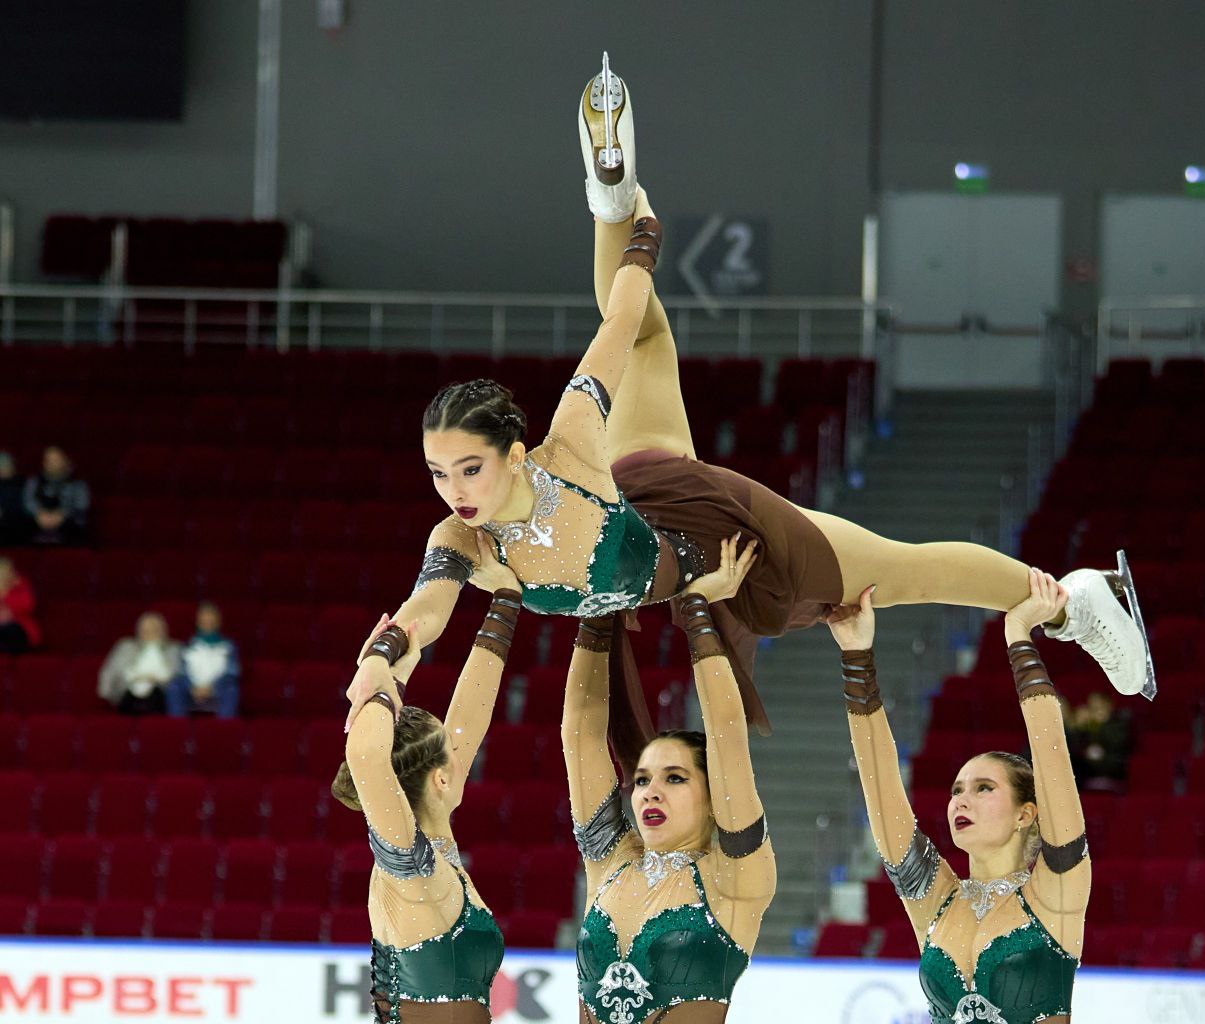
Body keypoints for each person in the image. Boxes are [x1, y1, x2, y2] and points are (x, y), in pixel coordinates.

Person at [345, 58, 1151, 772]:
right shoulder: (458, 538)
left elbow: (620, 320)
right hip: (647, 490)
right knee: (660, 340)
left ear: (516, 455)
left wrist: (644, 244)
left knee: (896, 574)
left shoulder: (569, 442)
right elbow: (427, 612)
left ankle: (1078, 597)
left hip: (710, 528)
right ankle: (610, 188)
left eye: (470, 467)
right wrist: (390, 658)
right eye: (438, 472)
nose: (454, 490)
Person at [837, 568, 1088, 1024]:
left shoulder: (1056, 892)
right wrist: (856, 656)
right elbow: (879, 785)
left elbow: (1051, 754)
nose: (960, 801)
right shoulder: (937, 901)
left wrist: (1019, 639)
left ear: (1026, 814)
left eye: (983, 788)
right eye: (956, 790)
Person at [565, 535, 775, 1024]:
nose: (649, 792)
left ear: (712, 796)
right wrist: (601, 604)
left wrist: (695, 606)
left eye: (675, 778)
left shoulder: (734, 877)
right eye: (641, 781)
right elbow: (580, 732)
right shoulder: (611, 863)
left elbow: (726, 732)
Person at [331, 541, 522, 1023]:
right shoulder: (407, 860)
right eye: (453, 758)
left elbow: (470, 718)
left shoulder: (426, 854)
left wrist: (505, 596)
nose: (464, 755)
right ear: (440, 779)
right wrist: (388, 681)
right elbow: (365, 755)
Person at [166, 602, 242, 719]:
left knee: (232, 689)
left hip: (218, 688)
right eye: (204, 621)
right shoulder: (188, 645)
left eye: (211, 620)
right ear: (198, 622)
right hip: (192, 689)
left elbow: (232, 673)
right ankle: (177, 728)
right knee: (174, 686)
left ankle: (224, 730)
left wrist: (212, 688)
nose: (208, 623)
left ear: (218, 622)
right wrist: (193, 687)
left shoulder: (229, 645)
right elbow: (182, 671)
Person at [98, 612, 181, 715]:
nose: (149, 634)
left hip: (159, 693)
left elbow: (175, 673)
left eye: (154, 630)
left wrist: (153, 678)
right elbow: (110, 672)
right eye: (145, 630)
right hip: (128, 693)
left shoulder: (174, 648)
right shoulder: (125, 647)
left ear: (163, 631)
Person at [23, 446, 90, 545]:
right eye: (49, 460)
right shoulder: (34, 481)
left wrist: (62, 514)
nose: (52, 464)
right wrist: (39, 513)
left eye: (56, 460)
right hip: (39, 521)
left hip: (69, 524)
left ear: (65, 461)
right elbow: (28, 501)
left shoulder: (77, 483)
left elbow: (82, 505)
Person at [0, 558, 41, 654]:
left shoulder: (20, 585)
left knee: (10, 630)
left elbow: (28, 604)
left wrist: (7, 607)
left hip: (19, 630)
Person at [0, 452, 30, 545]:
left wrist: (4, 512)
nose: (3, 469)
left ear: (13, 467)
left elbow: (25, 505)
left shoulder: (23, 483)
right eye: (1, 466)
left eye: (6, 466)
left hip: (16, 524)